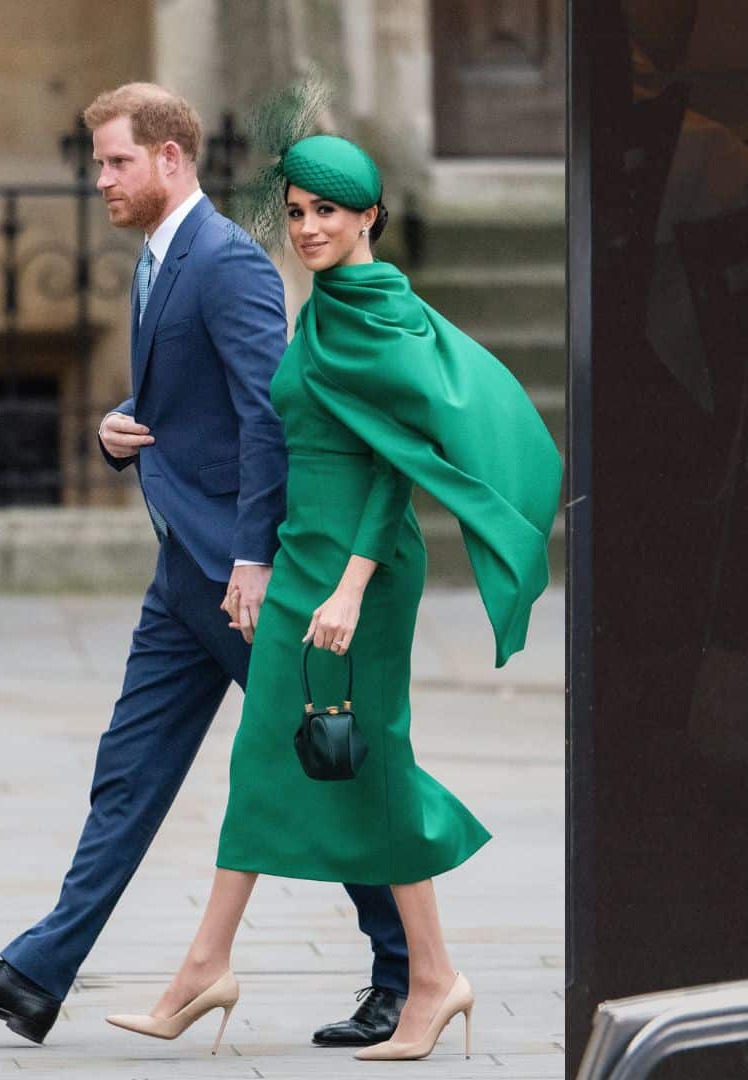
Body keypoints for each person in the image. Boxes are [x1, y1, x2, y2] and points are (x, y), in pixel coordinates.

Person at [0, 83, 415, 1050]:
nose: (100, 178)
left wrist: (255, 559)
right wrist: (117, 431)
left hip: (236, 578)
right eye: (99, 162)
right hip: (183, 570)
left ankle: (404, 974)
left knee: (324, 766)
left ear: (170, 159)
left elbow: (268, 419)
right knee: (129, 771)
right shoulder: (158, 258)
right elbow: (190, 404)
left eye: (115, 161)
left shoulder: (225, 262)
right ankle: (36, 975)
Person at [108, 134, 561, 1062]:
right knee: (274, 756)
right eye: (299, 211)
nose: (309, 227)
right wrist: (260, 558)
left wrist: (350, 589)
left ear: (369, 218)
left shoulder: (377, 312)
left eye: (328, 212)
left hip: (358, 574)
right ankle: (214, 965)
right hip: (301, 560)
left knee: (372, 759)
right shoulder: (322, 306)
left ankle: (424, 978)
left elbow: (397, 469)